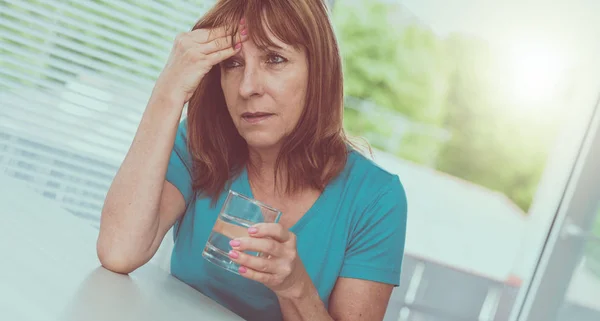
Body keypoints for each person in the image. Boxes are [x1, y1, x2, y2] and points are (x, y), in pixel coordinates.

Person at [97, 0, 408, 320]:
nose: (247, 87)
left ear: (319, 71)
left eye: (274, 59)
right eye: (232, 63)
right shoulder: (200, 143)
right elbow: (119, 251)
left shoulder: (376, 198)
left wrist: (295, 287)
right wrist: (169, 91)